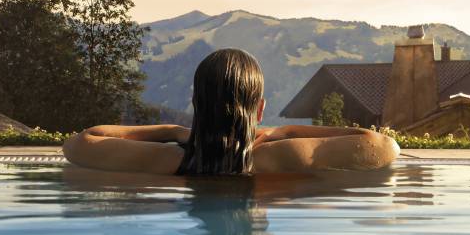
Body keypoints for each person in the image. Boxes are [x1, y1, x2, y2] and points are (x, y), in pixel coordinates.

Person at [62, 48, 399, 175]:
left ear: (196, 106)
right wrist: (285, 132)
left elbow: (82, 142)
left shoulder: (167, 162)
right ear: (261, 109)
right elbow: (382, 146)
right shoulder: (282, 156)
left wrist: (173, 132)